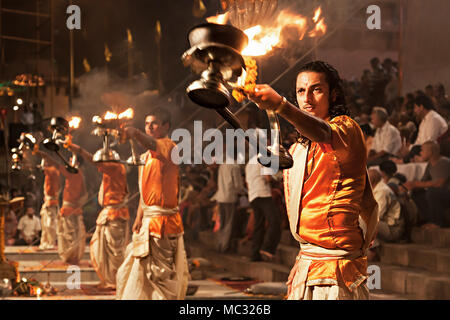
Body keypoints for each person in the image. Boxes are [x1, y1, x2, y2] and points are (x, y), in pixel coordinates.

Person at [248, 61, 378, 300]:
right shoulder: (298, 148)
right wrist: (301, 263)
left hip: (337, 268)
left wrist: (280, 105)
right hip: (308, 261)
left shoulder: (346, 129)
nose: (307, 98)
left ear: (333, 94)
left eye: (316, 90)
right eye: (300, 91)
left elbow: (323, 133)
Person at [116, 107, 189, 300]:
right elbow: (144, 191)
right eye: (146, 123)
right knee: (138, 275)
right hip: (148, 222)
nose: (149, 127)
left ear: (166, 126)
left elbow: (151, 143)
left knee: (160, 277)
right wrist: (139, 218)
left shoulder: (170, 147)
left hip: (163, 225)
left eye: (153, 123)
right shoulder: (146, 157)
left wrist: (136, 133)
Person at [67, 142, 130, 289]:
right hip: (109, 212)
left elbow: (94, 162)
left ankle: (115, 281)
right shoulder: (112, 170)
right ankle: (110, 280)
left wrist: (80, 150)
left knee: (115, 252)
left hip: (115, 214)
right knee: (100, 248)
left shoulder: (115, 167)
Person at [38, 151, 87, 264]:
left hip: (69, 209)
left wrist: (43, 153)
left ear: (77, 163)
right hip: (73, 208)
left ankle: (71, 257)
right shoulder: (80, 174)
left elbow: (54, 163)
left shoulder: (73, 173)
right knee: (72, 235)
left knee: (67, 235)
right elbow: (84, 192)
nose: (69, 162)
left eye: (71, 160)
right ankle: (72, 257)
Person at [404, 140, 450, 228]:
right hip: (439, 192)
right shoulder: (430, 164)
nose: (420, 153)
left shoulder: (444, 163)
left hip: (446, 192)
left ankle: (438, 222)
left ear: (431, 152)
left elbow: (440, 183)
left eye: (422, 150)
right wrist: (409, 187)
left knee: (432, 192)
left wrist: (416, 184)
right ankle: (429, 220)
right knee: (416, 193)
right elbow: (422, 182)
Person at [245, 157, 281, 262]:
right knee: (275, 221)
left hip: (253, 195)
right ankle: (268, 248)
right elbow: (268, 178)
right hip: (263, 194)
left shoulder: (249, 163)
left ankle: (255, 254)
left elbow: (247, 183)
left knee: (259, 225)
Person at [368, 169, 404, 244]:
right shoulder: (375, 190)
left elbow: (377, 215)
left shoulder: (382, 191)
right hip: (384, 225)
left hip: (392, 229)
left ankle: (372, 250)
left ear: (371, 180)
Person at [37, 159, 61, 250]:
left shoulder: (53, 171)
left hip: (52, 202)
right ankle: (45, 242)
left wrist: (43, 160)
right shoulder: (48, 174)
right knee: (44, 224)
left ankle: (51, 242)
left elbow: (43, 168)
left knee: (50, 224)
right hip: (47, 202)